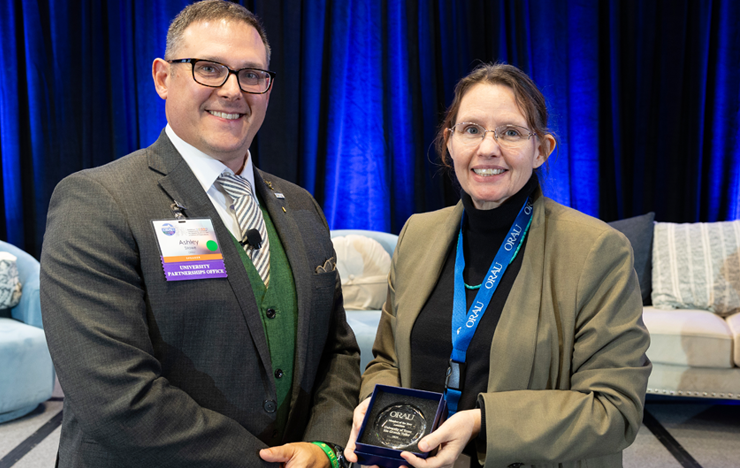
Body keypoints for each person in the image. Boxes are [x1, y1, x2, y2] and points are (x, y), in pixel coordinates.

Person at [40, 1, 359, 467]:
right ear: (163, 77)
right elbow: (117, 398)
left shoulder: (302, 206)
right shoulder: (97, 202)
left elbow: (338, 350)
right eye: (209, 69)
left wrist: (325, 446)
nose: (233, 91)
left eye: (252, 74)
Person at [344, 63, 651, 468]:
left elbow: (614, 410)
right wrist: (373, 406)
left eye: (510, 132)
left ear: (542, 150)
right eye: (471, 129)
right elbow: (386, 360)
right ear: (448, 143)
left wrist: (480, 424)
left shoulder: (597, 250)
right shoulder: (417, 234)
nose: (488, 148)